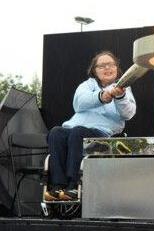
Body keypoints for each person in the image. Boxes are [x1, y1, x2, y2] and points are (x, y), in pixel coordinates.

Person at [44, 51, 136, 201]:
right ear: (94, 70)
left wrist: (119, 97)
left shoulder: (124, 89)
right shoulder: (86, 85)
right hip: (73, 128)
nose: (107, 68)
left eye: (110, 64)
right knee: (56, 132)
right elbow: (79, 103)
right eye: (102, 66)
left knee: (78, 133)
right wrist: (101, 96)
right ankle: (57, 186)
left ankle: (73, 186)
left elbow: (128, 114)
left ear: (116, 68)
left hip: (101, 132)